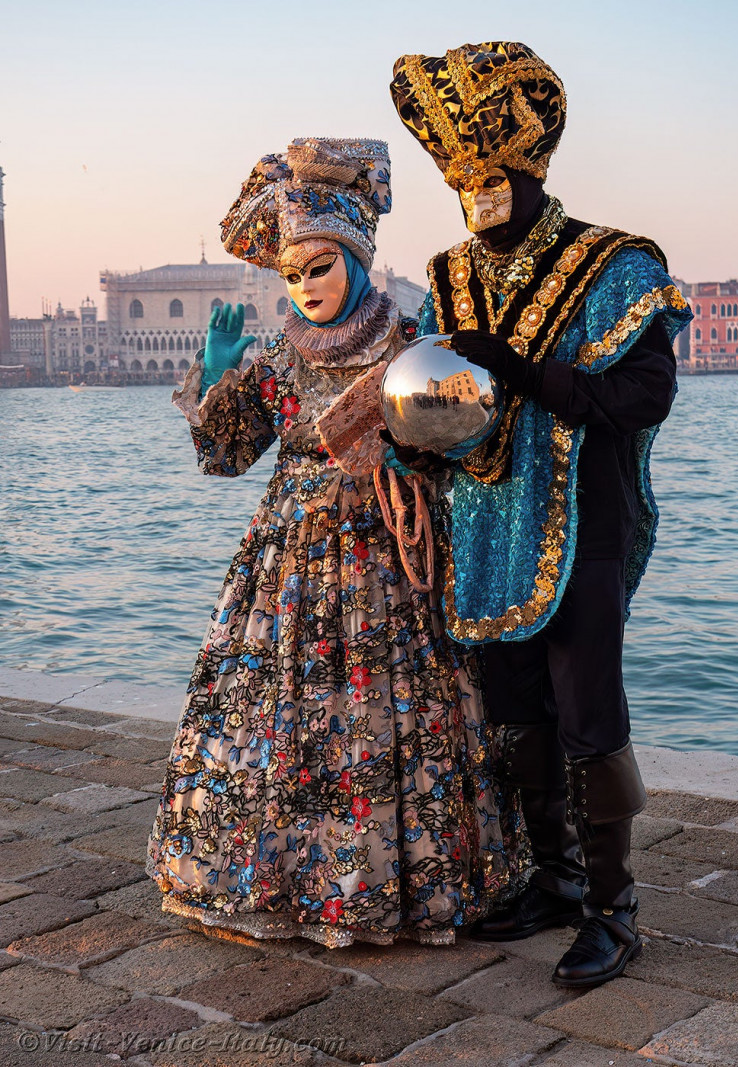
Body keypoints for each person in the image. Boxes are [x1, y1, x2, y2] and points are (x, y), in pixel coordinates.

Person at [145, 136, 530, 949]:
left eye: (318, 268)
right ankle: (284, 878)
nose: (305, 287)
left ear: (355, 260)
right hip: (288, 564)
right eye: (291, 275)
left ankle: (401, 878)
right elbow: (224, 454)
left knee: (392, 711)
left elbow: (469, 440)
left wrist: (409, 453)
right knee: (282, 713)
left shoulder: (412, 342)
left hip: (390, 553)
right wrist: (216, 376)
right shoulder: (278, 357)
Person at [389, 43, 693, 985]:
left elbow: (645, 394)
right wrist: (413, 435)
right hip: (483, 524)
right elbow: (437, 396)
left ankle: (614, 910)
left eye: (493, 181)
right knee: (516, 711)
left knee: (589, 714)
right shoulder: (448, 276)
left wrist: (525, 370)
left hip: (581, 522)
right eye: (462, 186)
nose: (478, 201)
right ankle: (554, 878)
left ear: (532, 169)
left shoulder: (613, 264)